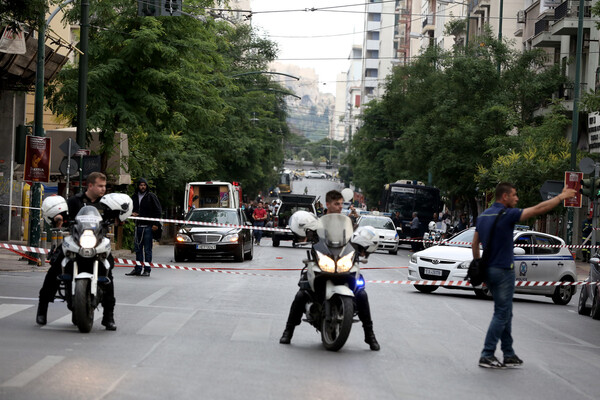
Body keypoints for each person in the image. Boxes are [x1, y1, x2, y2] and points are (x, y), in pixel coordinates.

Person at [472, 182, 576, 369]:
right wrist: (561, 197)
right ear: (505, 197)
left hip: (489, 270)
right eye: (514, 195)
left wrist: (479, 264)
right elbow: (538, 209)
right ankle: (487, 354)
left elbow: (474, 244)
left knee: (506, 312)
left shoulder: (484, 215)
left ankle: (509, 353)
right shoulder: (508, 214)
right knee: (502, 313)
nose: (517, 198)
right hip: (504, 269)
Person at [279, 190, 380, 351]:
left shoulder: (348, 222)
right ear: (328, 204)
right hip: (322, 261)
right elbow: (309, 236)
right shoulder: (317, 223)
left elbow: (354, 239)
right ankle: (288, 331)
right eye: (336, 204)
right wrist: (304, 237)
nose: (339, 207)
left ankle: (370, 335)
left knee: (361, 293)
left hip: (342, 261)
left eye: (341, 204)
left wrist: (361, 246)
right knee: (301, 293)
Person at [36, 172, 118, 331]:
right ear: (90, 186)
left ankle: (109, 317)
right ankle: (42, 309)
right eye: (100, 186)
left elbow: (115, 217)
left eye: (104, 186)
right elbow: (62, 213)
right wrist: (59, 217)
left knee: (108, 274)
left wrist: (117, 217)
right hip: (75, 242)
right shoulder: (75, 201)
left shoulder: (106, 203)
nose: (103, 189)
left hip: (98, 243)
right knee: (54, 269)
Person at [127, 178, 162, 277]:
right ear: (138, 186)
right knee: (138, 249)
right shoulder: (134, 197)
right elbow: (129, 208)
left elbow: (158, 211)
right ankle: (137, 269)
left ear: (146, 186)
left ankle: (147, 270)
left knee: (147, 250)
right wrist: (131, 213)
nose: (142, 187)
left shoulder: (151, 197)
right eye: (141, 185)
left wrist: (155, 224)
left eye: (144, 185)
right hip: (138, 226)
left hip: (148, 227)